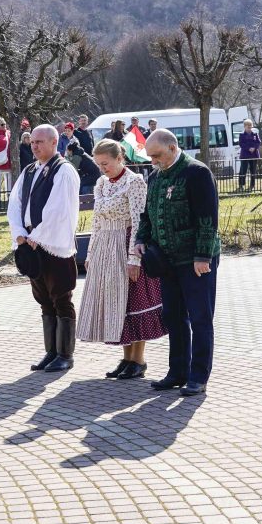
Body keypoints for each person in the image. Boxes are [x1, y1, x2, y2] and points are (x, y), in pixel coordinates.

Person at [135, 129, 220, 397]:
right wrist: (141, 238)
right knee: (173, 316)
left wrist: (203, 256)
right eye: (150, 157)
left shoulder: (196, 172)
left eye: (157, 155)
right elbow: (146, 214)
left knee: (200, 318)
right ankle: (178, 371)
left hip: (195, 260)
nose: (153, 161)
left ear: (172, 148)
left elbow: (208, 218)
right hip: (167, 261)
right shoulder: (157, 177)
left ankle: (198, 375)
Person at [76, 139, 167, 379]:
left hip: (126, 244)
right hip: (106, 246)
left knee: (134, 302)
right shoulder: (102, 183)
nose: (102, 168)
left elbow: (139, 221)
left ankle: (138, 359)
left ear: (119, 158)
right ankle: (127, 359)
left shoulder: (134, 182)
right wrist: (92, 252)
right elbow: (96, 221)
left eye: (106, 163)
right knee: (119, 305)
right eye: (99, 164)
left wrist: (134, 259)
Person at [7, 124, 81, 374]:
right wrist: (20, 234)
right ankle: (51, 352)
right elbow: (14, 204)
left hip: (53, 244)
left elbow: (59, 210)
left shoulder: (64, 171)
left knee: (61, 297)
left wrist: (36, 236)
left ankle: (65, 354)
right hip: (31, 244)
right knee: (44, 300)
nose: (34, 146)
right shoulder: (28, 171)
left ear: (53, 142)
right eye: (32, 142)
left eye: (40, 142)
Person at [237, 119, 260, 191]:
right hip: (245, 155)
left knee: (253, 171)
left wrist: (254, 148)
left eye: (250, 126)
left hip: (254, 155)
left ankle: (252, 185)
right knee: (243, 170)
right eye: (248, 126)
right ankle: (241, 185)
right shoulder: (242, 135)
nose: (249, 128)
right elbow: (241, 144)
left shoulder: (255, 134)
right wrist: (248, 148)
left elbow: (258, 142)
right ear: (245, 127)